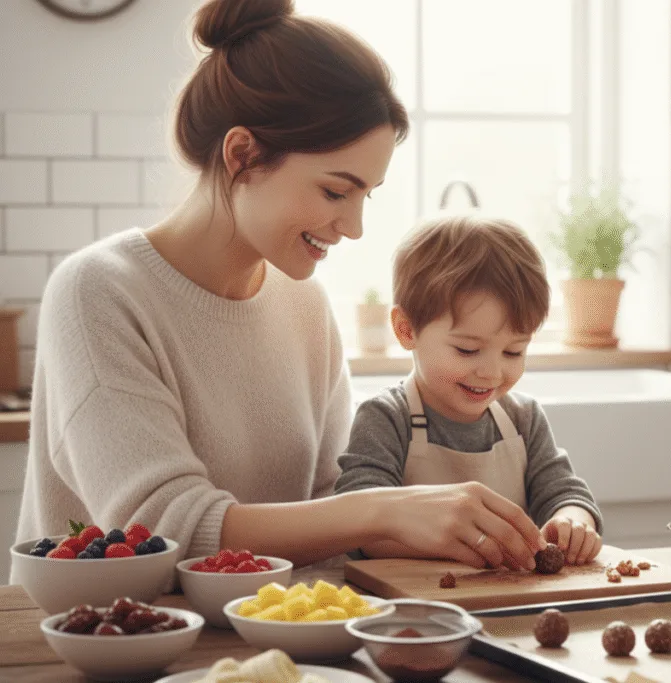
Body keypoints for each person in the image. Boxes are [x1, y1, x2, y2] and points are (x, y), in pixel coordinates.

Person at [12, 0, 547, 584]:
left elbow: (326, 511)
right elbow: (160, 532)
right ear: (243, 154)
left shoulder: (305, 307)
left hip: (268, 644)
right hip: (110, 648)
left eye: (366, 195)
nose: (354, 226)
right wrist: (383, 511)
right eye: (335, 191)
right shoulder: (100, 292)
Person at [335, 216, 604, 567]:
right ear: (406, 329)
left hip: (507, 608)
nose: (492, 372)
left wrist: (573, 521)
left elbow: (564, 492)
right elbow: (359, 523)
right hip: (414, 606)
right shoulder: (386, 418)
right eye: (466, 350)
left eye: (514, 352)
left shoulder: (523, 419)